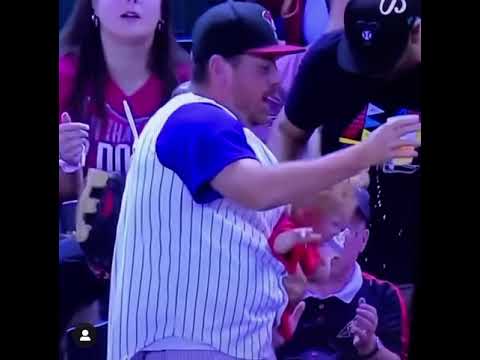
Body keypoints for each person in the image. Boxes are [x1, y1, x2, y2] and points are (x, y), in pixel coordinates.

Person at [107, 2, 419, 359]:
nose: (276, 78)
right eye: (264, 66)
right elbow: (259, 189)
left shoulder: (244, 141)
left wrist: (283, 284)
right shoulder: (191, 116)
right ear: (219, 68)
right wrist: (364, 154)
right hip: (183, 346)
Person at [58, 0, 191, 343]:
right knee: (85, 333)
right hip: (80, 249)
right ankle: (83, 343)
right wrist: (62, 161)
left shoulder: (188, 84)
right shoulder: (64, 75)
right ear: (92, 6)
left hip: (166, 250)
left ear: (163, 12)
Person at [268, 0, 421, 285]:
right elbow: (288, 131)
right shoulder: (327, 59)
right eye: (362, 57)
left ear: (415, 35)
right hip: (343, 259)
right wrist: (280, 213)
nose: (369, 68)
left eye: (382, 58)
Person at [276, 188, 409, 360]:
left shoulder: (383, 295)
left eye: (343, 230)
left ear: (363, 240)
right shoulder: (278, 283)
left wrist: (370, 347)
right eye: (326, 224)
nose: (330, 239)